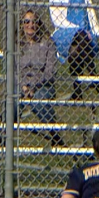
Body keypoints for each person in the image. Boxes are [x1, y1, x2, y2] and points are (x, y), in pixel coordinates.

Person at [49, 0, 99, 101]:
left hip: (84, 38)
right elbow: (57, 20)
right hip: (63, 33)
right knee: (79, 37)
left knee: (75, 50)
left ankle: (77, 88)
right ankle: (91, 72)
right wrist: (78, 30)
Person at [19, 9, 63, 147]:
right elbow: (12, 70)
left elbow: (49, 72)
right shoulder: (16, 44)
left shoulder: (48, 43)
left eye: (34, 21)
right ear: (21, 24)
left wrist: (32, 86)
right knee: (11, 103)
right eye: (26, 21)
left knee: (39, 102)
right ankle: (3, 138)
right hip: (20, 84)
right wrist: (24, 86)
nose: (30, 25)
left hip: (42, 85)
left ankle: (54, 135)